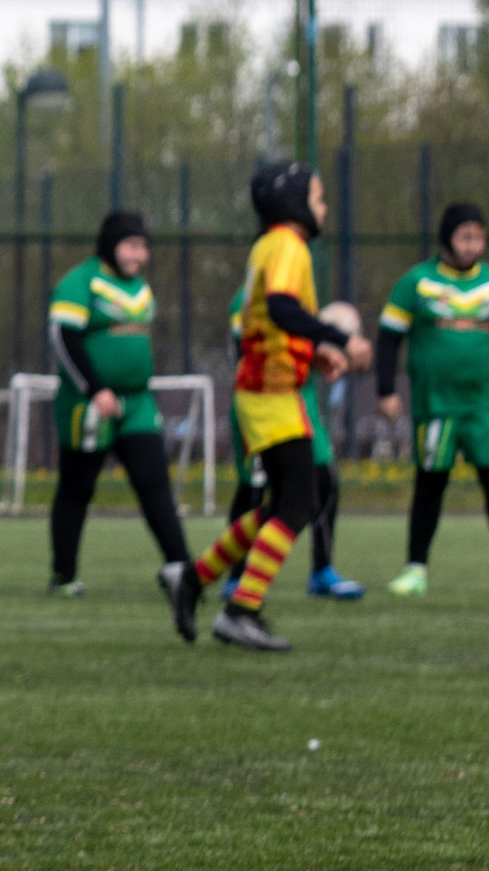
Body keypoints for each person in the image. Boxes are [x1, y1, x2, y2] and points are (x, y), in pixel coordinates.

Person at [163, 163, 369, 652]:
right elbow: (280, 307)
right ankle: (240, 611)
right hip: (270, 395)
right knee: (299, 502)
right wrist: (340, 338)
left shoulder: (269, 245)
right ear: (294, 203)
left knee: (285, 502)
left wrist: (311, 353)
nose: (324, 209)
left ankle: (193, 579)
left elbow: (267, 321)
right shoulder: (289, 245)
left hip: (269, 391)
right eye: (317, 199)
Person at [376, 202, 489, 596]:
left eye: (479, 237)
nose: (473, 245)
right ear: (447, 238)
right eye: (465, 236)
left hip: (483, 406)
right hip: (437, 405)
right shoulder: (418, 282)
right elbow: (389, 337)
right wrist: (385, 389)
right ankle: (415, 570)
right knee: (430, 484)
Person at [46, 212, 191, 597]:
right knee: (77, 488)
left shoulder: (140, 287)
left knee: (155, 484)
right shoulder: (80, 282)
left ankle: (181, 569)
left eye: (144, 246)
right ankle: (63, 576)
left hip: (137, 403)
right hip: (89, 404)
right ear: (110, 244)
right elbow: (63, 338)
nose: (139, 254)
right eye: (131, 245)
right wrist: (95, 389)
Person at [223, 291, 362, 600]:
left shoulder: (302, 291)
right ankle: (235, 575)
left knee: (325, 480)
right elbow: (252, 348)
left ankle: (322, 570)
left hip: (302, 400)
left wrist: (328, 347)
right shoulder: (248, 298)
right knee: (256, 491)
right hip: (262, 400)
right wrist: (327, 341)